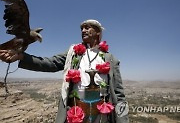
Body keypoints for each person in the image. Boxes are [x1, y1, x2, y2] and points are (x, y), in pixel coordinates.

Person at [0, 19, 129, 123]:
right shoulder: (73, 53)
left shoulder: (110, 59)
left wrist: (123, 119)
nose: (83, 30)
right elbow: (50, 63)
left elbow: (119, 94)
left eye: (87, 27)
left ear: (97, 32)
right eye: (81, 29)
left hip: (101, 116)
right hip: (76, 114)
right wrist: (22, 57)